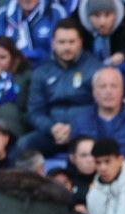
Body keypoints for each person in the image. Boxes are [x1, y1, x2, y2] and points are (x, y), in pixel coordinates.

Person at [16, 17, 99, 158]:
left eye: (72, 42)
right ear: (53, 43)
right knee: (23, 145)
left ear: (80, 43)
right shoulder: (42, 71)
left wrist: (75, 128)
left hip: (86, 132)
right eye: (62, 42)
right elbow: (35, 112)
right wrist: (52, 128)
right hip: (52, 132)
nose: (67, 47)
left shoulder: (95, 69)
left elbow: (100, 107)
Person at [0, 0, 70, 64]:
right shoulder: (3, 14)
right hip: (12, 72)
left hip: (47, 70)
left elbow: (63, 48)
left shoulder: (55, 12)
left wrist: (32, 55)